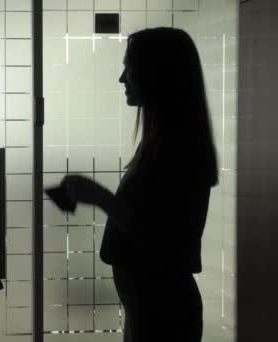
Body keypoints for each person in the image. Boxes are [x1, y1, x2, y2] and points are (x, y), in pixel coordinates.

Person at [57, 28, 218, 342]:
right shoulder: (165, 142)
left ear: (157, 74)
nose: (122, 79)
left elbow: (161, 235)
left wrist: (100, 197)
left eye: (129, 68)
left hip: (161, 307)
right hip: (152, 303)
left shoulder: (178, 148)